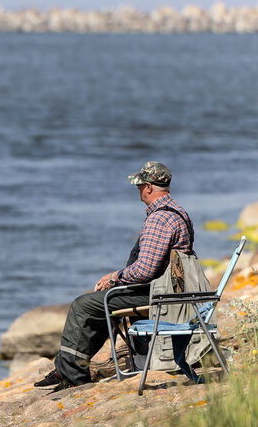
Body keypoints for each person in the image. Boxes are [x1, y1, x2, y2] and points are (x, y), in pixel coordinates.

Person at [34, 161, 195, 392]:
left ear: (149, 187)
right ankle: (68, 369)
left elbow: (145, 271)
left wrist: (114, 278)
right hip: (170, 290)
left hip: (158, 295)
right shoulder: (178, 212)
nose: (138, 189)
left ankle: (72, 375)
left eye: (140, 185)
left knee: (82, 305)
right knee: (100, 306)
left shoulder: (159, 219)